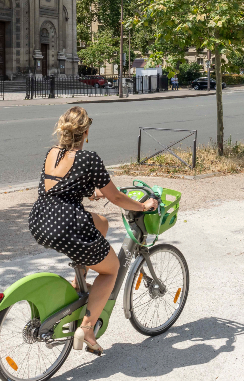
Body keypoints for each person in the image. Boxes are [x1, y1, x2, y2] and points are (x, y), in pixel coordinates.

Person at [28, 106, 158, 355]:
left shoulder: (51, 153)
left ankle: (79, 280)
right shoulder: (89, 159)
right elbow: (118, 198)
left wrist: (92, 192)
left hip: (41, 220)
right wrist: (143, 205)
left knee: (101, 224)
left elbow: (61, 186)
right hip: (66, 224)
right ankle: (87, 328)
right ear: (86, 132)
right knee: (111, 270)